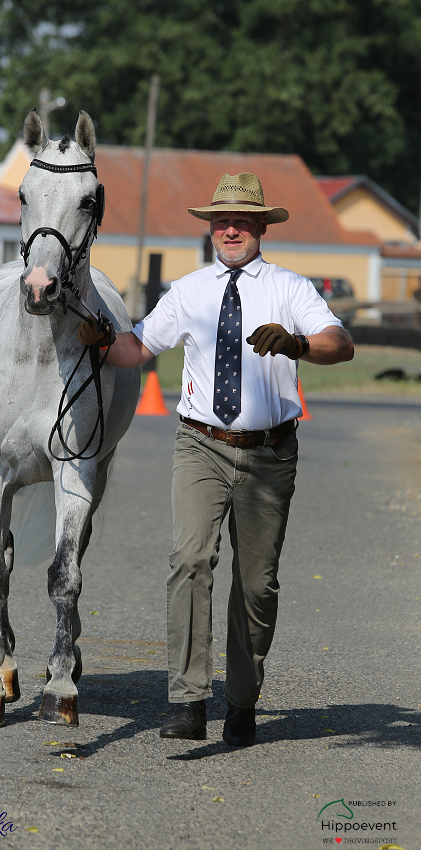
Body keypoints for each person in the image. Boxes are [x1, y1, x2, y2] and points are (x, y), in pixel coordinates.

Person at [79, 172, 354, 746]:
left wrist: (298, 343)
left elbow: (340, 342)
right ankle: (187, 701)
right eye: (221, 222)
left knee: (257, 585)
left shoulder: (289, 288)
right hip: (200, 444)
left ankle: (242, 701)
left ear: (260, 228)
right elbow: (137, 346)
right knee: (189, 560)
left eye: (243, 222)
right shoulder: (189, 290)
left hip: (270, 452)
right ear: (209, 229)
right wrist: (99, 338)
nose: (231, 230)